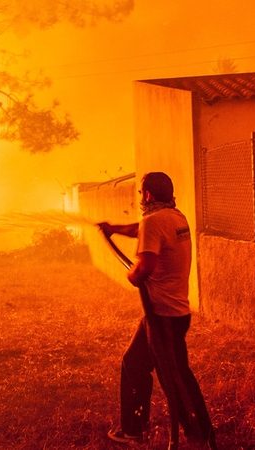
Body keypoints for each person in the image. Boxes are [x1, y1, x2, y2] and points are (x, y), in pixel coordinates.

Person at [99, 172, 216, 449]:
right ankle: (134, 430)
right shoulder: (175, 217)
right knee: (134, 364)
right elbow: (142, 230)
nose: (140, 197)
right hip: (167, 313)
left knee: (175, 376)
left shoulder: (153, 222)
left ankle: (202, 434)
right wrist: (114, 229)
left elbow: (145, 268)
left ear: (148, 195)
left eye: (141, 192)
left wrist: (132, 274)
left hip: (164, 315)